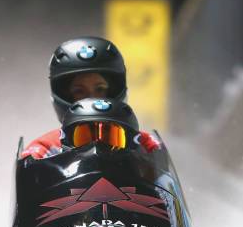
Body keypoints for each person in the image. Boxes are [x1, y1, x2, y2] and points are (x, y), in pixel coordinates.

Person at [22, 36, 160, 159]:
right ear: (65, 96)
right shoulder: (43, 150)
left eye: (100, 89)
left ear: (114, 91)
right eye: (79, 91)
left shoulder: (147, 145)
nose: (92, 98)